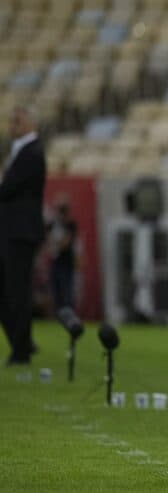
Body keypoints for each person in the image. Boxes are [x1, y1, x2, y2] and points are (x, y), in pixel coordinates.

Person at [0, 105, 46, 366]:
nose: (13, 123)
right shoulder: (20, 151)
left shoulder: (32, 152)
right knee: (9, 291)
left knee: (18, 291)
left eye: (19, 119)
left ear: (31, 122)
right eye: (12, 118)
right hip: (11, 231)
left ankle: (21, 351)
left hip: (20, 232)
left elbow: (7, 190)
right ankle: (22, 341)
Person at [47, 197, 78, 310]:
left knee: (66, 292)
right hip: (55, 262)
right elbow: (46, 241)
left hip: (66, 263)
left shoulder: (70, 224)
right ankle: (58, 315)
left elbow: (66, 242)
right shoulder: (52, 224)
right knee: (56, 292)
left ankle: (69, 314)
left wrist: (55, 242)